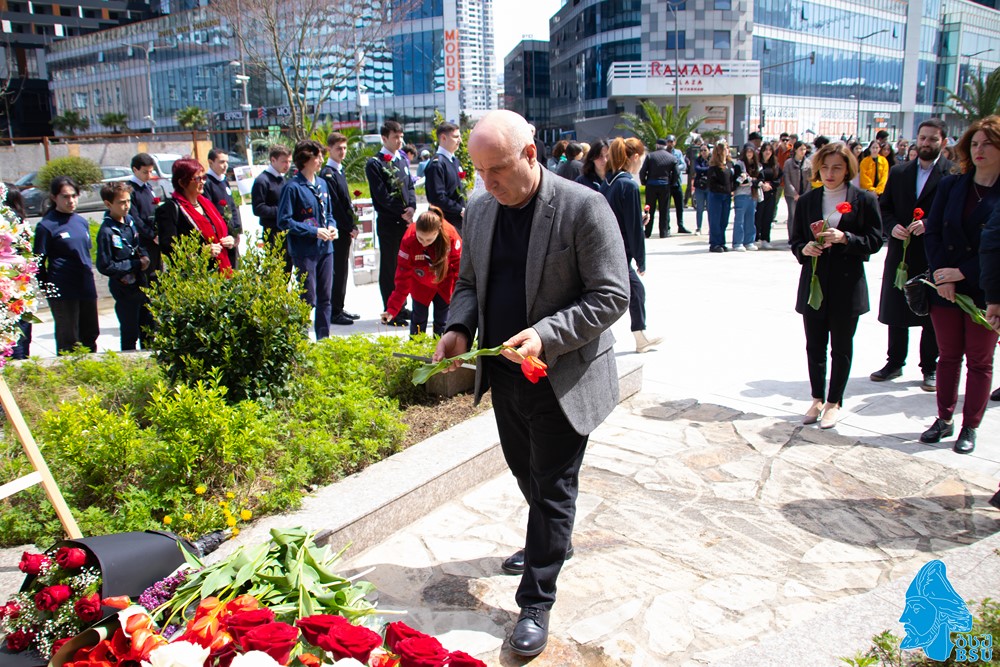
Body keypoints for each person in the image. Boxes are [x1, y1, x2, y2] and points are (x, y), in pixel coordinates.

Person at [432, 110, 629, 658]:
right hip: (504, 374)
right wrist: (457, 328)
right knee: (527, 473)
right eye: (479, 171)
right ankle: (552, 542)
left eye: (497, 169)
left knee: (553, 486)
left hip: (562, 375)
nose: (488, 182)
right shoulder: (479, 209)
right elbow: (469, 282)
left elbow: (612, 295)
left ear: (530, 154)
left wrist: (545, 334)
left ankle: (536, 600)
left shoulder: (583, 207)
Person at [920, 116, 1000, 455]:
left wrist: (961, 273)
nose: (979, 150)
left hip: (985, 288)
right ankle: (944, 418)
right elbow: (933, 230)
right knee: (948, 356)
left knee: (980, 361)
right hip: (945, 288)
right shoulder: (953, 185)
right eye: (975, 143)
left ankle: (970, 426)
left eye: (988, 144)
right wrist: (942, 274)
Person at [789, 142, 883, 429]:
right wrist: (805, 249)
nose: (830, 173)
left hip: (847, 284)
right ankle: (817, 398)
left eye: (837, 168)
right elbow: (796, 240)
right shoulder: (807, 201)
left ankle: (834, 401)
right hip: (815, 283)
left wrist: (846, 238)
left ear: (847, 170)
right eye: (825, 167)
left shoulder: (864, 199)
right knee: (814, 346)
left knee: (841, 347)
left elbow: (875, 240)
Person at [871, 119, 952, 391]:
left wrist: (929, 223)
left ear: (943, 141)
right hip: (901, 252)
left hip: (933, 253)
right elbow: (885, 207)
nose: (926, 143)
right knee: (897, 307)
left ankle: (929, 367)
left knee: (931, 313)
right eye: (923, 138)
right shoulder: (900, 172)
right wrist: (892, 226)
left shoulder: (952, 174)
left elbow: (954, 213)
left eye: (932, 139)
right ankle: (894, 362)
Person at [603, 137, 663, 353]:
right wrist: (641, 259)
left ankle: (640, 337)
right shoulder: (628, 185)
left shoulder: (609, 182)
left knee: (634, 291)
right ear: (635, 157)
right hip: (620, 251)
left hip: (609, 247)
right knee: (633, 292)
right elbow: (634, 228)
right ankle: (639, 338)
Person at [278, 140, 338, 340]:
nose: (321, 160)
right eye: (317, 156)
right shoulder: (292, 187)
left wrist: (332, 226)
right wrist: (313, 231)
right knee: (307, 297)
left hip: (326, 249)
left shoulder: (322, 183)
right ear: (305, 159)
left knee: (325, 297)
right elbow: (284, 221)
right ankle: (301, 338)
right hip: (304, 251)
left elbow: (329, 213)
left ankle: (324, 338)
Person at [33, 176, 99, 354]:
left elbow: (85, 252)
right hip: (63, 289)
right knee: (69, 338)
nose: (71, 200)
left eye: (74, 196)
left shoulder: (81, 222)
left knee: (90, 333)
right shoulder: (47, 226)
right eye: (65, 197)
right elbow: (38, 262)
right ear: (54, 197)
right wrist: (47, 288)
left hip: (85, 285)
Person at [379, 205, 461, 336]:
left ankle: (441, 348)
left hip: (445, 282)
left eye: (429, 239)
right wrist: (392, 308)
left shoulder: (451, 235)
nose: (423, 243)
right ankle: (416, 348)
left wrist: (459, 296)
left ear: (438, 232)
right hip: (420, 284)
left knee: (443, 322)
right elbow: (402, 277)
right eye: (420, 238)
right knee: (418, 321)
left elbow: (459, 269)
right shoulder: (409, 239)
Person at [366, 120, 416, 326]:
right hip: (389, 223)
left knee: (405, 266)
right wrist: (401, 211)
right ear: (384, 138)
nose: (399, 141)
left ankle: (401, 306)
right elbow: (381, 196)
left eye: (401, 137)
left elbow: (410, 187)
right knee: (390, 268)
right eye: (395, 137)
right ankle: (390, 310)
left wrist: (411, 207)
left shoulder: (401, 160)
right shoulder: (375, 164)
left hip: (405, 222)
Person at [95, 181, 152, 351]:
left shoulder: (130, 221)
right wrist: (135, 264)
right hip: (124, 288)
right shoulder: (107, 231)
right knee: (130, 332)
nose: (127, 206)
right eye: (121, 202)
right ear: (108, 204)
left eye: (128, 201)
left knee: (149, 328)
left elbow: (138, 244)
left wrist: (145, 257)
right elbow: (105, 265)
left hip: (141, 284)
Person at [156, 157, 234, 274]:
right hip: (196, 276)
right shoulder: (169, 209)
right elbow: (169, 249)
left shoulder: (206, 204)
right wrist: (201, 252)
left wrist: (229, 240)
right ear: (182, 182)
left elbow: (219, 231)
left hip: (221, 272)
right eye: (197, 178)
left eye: (203, 177)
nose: (203, 182)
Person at [319, 132, 361, 327]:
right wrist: (348, 226)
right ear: (329, 149)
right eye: (338, 149)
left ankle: (339, 306)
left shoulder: (338, 171)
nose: (342, 152)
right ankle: (334, 310)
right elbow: (335, 206)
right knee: (337, 270)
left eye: (344, 148)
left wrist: (353, 224)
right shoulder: (328, 174)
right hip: (337, 229)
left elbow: (346, 203)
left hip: (344, 228)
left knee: (342, 269)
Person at [251, 144, 292, 272]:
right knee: (277, 270)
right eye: (284, 161)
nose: (287, 165)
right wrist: (282, 211)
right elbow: (258, 208)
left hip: (286, 231)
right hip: (272, 232)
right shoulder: (262, 181)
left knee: (287, 269)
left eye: (289, 161)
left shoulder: (282, 179)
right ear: (273, 160)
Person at [202, 149, 243, 269]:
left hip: (230, 236)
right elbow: (209, 211)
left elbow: (232, 206)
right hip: (220, 238)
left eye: (227, 162)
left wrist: (236, 231)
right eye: (221, 162)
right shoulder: (207, 183)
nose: (225, 165)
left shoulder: (224, 180)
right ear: (211, 162)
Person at [424, 122, 466, 231]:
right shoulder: (437, 164)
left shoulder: (454, 161)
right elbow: (437, 198)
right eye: (456, 137)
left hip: (458, 221)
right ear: (443, 138)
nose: (460, 140)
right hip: (445, 223)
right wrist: (459, 209)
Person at [5, 187, 32, 358]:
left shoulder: (13, 226)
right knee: (21, 333)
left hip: (13, 286)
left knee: (15, 333)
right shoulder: (19, 225)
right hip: (18, 286)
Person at [639, 138, 682, 237]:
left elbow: (642, 171)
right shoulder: (671, 158)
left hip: (651, 185)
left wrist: (644, 182)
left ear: (657, 145)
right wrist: (671, 183)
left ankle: (647, 232)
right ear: (665, 146)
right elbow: (676, 173)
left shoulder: (650, 156)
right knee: (664, 210)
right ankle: (663, 232)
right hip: (664, 186)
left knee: (649, 209)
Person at [127, 152, 161, 274]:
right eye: (145, 172)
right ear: (135, 170)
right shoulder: (131, 190)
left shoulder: (148, 187)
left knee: (158, 273)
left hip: (155, 237)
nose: (149, 175)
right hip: (143, 240)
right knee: (148, 274)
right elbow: (135, 218)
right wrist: (152, 235)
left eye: (151, 172)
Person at [732, 143, 761, 251]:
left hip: (752, 195)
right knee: (739, 220)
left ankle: (749, 241)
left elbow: (760, 179)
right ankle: (738, 242)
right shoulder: (739, 165)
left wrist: (750, 180)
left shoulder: (757, 165)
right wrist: (747, 179)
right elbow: (737, 181)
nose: (749, 154)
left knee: (750, 219)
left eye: (751, 151)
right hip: (741, 195)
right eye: (747, 151)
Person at [706, 141, 734, 253]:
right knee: (715, 220)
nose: (726, 150)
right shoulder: (713, 166)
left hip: (727, 196)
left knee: (724, 220)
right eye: (723, 149)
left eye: (727, 148)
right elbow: (711, 183)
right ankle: (714, 243)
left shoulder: (729, 164)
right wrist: (724, 189)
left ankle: (722, 242)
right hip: (716, 195)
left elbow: (731, 180)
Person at [755, 142, 781, 249]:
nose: (767, 152)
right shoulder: (758, 164)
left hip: (771, 193)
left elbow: (778, 179)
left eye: (770, 150)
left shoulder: (775, 165)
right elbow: (755, 176)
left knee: (768, 216)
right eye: (765, 150)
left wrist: (770, 185)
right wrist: (762, 184)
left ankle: (765, 239)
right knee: (758, 216)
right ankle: (755, 238)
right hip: (759, 193)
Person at [783, 141, 811, 240]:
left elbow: (810, 180)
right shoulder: (788, 163)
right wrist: (794, 194)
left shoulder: (808, 163)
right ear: (795, 150)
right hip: (791, 195)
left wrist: (806, 194)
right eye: (801, 149)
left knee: (804, 216)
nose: (803, 151)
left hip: (805, 194)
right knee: (793, 216)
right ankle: (792, 238)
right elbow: (787, 180)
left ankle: (803, 237)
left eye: (804, 149)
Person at [665, 134, 687, 222]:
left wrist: (675, 168)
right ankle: (667, 225)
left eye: (671, 142)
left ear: (675, 142)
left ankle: (680, 224)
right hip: (667, 182)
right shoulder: (664, 153)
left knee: (679, 205)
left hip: (677, 182)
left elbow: (683, 165)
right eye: (668, 141)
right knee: (666, 206)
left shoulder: (678, 152)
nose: (670, 143)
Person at [691, 143, 710, 235]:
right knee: (699, 208)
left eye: (705, 150)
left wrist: (705, 169)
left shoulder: (712, 159)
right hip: (699, 187)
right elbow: (697, 169)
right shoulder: (697, 160)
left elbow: (713, 169)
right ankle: (699, 228)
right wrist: (708, 169)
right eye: (701, 150)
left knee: (710, 209)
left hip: (709, 187)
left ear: (709, 151)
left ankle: (711, 228)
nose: (703, 152)